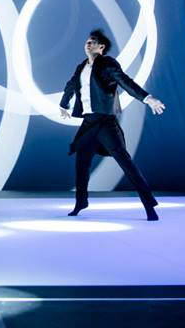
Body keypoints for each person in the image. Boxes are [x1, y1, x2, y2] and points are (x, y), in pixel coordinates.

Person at [59, 28, 166, 221]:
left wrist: (148, 99)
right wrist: (63, 104)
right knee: (81, 164)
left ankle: (149, 205)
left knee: (125, 163)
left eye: (92, 42)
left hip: (105, 122)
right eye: (87, 41)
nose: (88, 44)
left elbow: (125, 82)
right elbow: (71, 85)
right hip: (88, 122)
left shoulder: (108, 63)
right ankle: (80, 203)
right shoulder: (81, 66)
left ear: (101, 47)